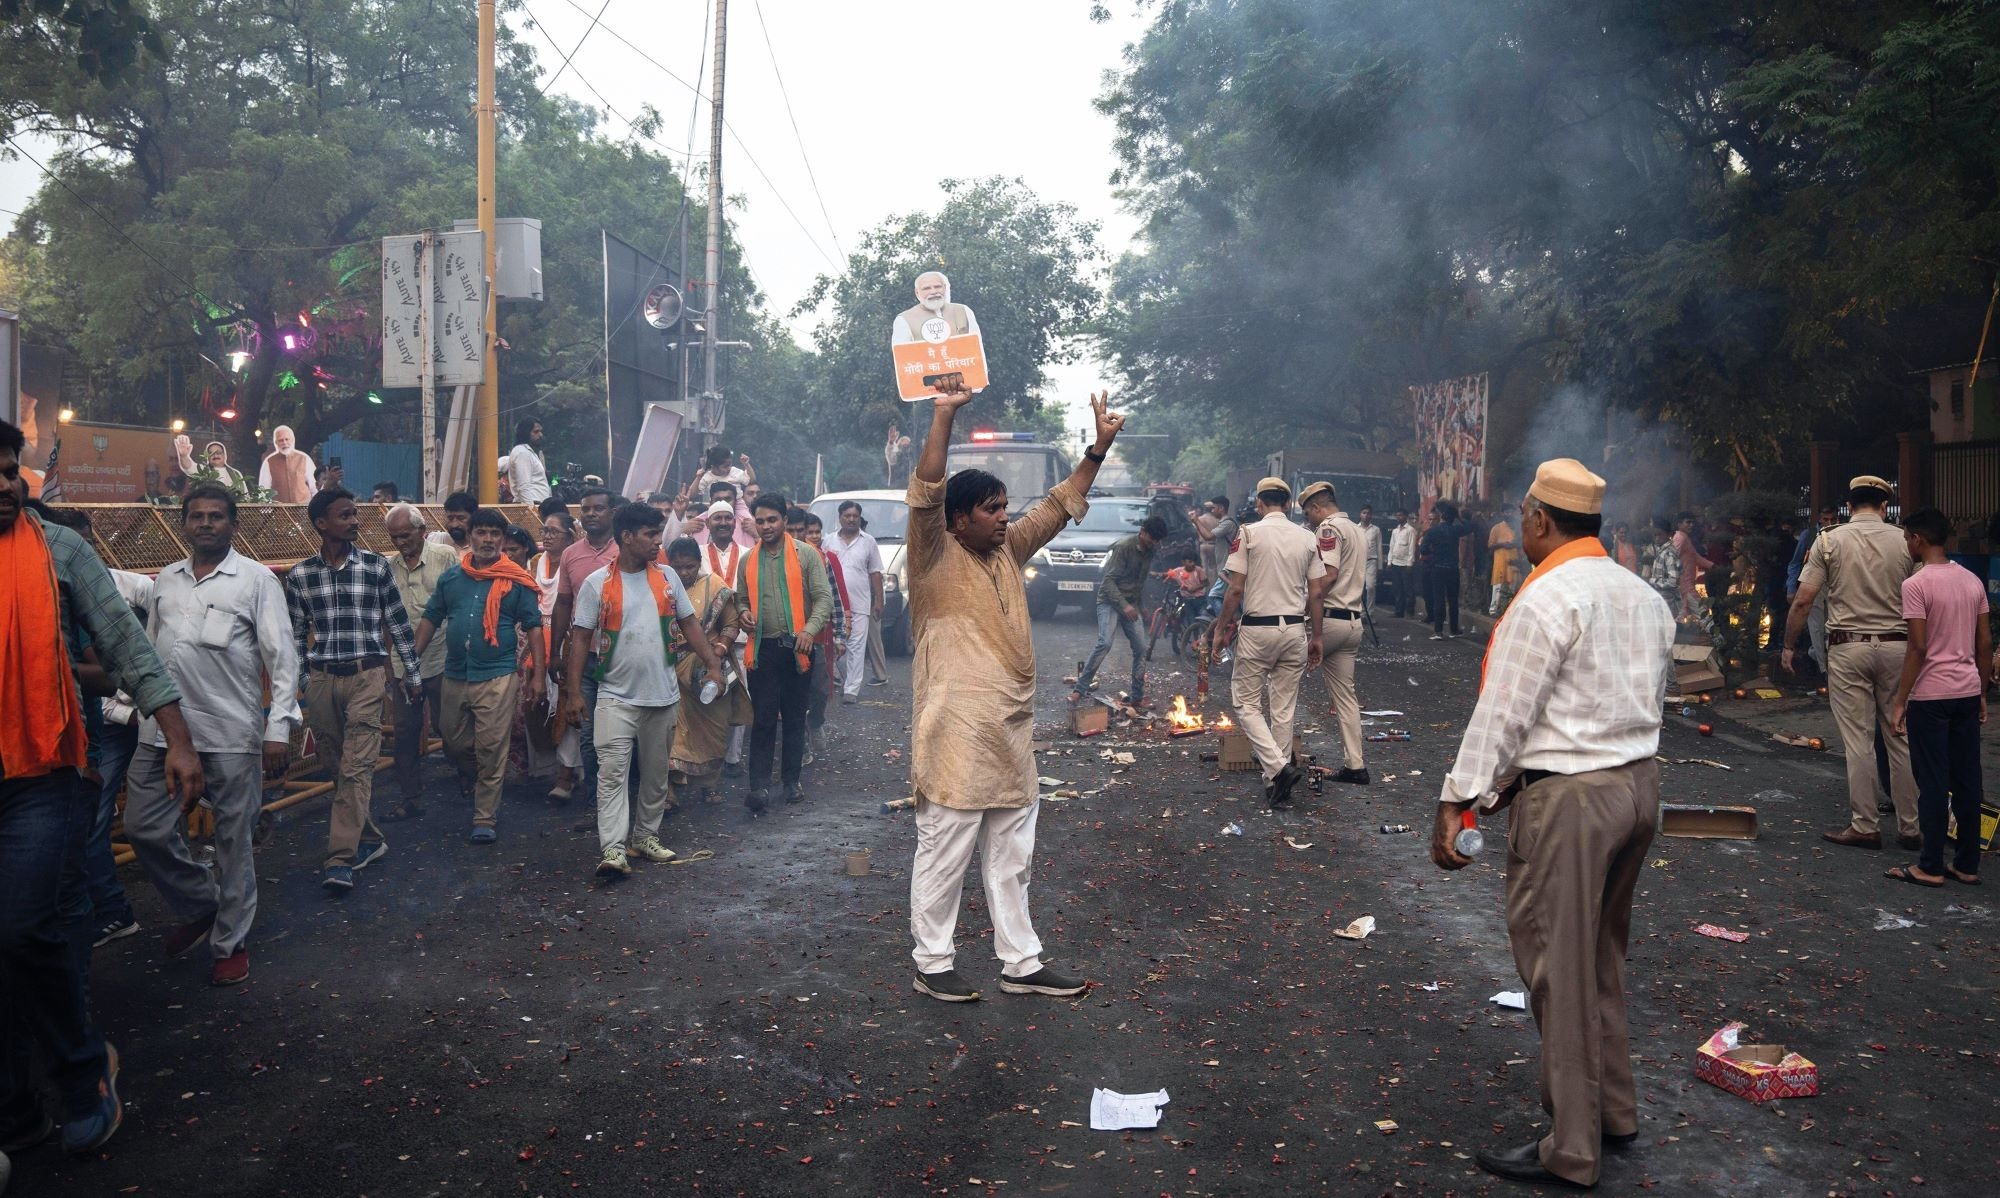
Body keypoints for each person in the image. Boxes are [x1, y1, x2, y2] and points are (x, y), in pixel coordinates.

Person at [1430, 459, 1674, 1191]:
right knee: (1600, 958)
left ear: (1538, 519)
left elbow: (1507, 712)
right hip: (1637, 787)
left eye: (1525, 516)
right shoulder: (1641, 594)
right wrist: (1510, 783)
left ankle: (1572, 1148)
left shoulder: (1546, 599)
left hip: (1572, 802)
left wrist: (1461, 796)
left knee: (1557, 972)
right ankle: (1613, 1113)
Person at [1, 418, 206, 1155]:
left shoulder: (60, 549)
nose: (2, 483)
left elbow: (127, 645)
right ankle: (16, 1104)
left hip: (47, 771)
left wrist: (178, 738)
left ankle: (86, 1070)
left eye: (8, 470)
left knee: (23, 927)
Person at [902, 382, 1121, 1004]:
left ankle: (1020, 962)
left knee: (1012, 854)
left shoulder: (1006, 550)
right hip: (954, 731)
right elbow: (925, 493)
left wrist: (1098, 450)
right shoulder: (932, 555)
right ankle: (932, 961)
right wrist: (944, 414)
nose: (1004, 518)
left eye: (1004, 508)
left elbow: (1056, 506)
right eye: (992, 510)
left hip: (1009, 730)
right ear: (958, 520)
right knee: (945, 850)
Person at [124, 484, 298, 986]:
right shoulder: (166, 582)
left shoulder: (257, 581)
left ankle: (229, 943)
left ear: (233, 524)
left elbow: (281, 658)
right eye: (196, 516)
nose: (205, 523)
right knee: (144, 828)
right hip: (162, 732)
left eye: (216, 516)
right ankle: (202, 903)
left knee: (232, 841)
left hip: (230, 733)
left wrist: (278, 728)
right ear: (183, 523)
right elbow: (153, 650)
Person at [560, 504, 727, 878]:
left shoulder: (667, 577)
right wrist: (572, 693)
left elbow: (689, 624)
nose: (657, 541)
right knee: (612, 774)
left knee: (655, 774)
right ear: (627, 538)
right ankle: (614, 849)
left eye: (657, 533)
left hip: (663, 695)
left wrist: (713, 664)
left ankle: (645, 837)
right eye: (650, 534)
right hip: (614, 696)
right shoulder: (596, 584)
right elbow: (580, 638)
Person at [284, 487, 424, 892]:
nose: (354, 521)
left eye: (354, 514)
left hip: (367, 676)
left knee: (356, 766)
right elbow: (294, 637)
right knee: (334, 765)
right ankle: (370, 839)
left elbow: (398, 624)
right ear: (322, 524)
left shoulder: (376, 568)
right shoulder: (300, 576)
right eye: (344, 515)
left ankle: (339, 859)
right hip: (323, 678)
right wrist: (305, 682)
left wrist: (410, 675)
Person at [1782, 476, 1920, 851]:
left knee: (1859, 740)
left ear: (1849, 505)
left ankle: (1865, 824)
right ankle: (1912, 827)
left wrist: (1789, 645)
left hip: (1848, 649)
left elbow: (1803, 600)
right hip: (1897, 649)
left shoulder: (1829, 540)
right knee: (1900, 737)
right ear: (1883, 505)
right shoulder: (1906, 541)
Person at [412, 509, 544, 843]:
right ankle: (476, 775)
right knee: (454, 743)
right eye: (481, 533)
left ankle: (484, 816)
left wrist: (538, 675)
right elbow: (431, 617)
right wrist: (410, 659)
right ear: (470, 536)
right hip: (455, 673)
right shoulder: (453, 578)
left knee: (491, 747)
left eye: (494, 534)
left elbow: (534, 628)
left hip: (498, 674)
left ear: (502, 539)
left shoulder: (516, 580)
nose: (487, 540)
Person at [1884, 508, 1988, 887]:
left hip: (1931, 695)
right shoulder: (1972, 581)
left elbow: (1918, 648)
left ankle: (1929, 865)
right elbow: (1985, 642)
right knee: (1967, 780)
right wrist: (1981, 690)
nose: (1906, 544)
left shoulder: (1917, 584)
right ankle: (1967, 864)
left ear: (1919, 540)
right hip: (1966, 690)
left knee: (1932, 781)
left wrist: (1900, 699)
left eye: (1907, 537)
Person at [1213, 478, 1324, 806]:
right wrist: (1316, 636)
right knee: (1283, 708)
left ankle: (1277, 768)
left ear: (1260, 504)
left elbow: (1235, 589)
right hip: (1294, 630)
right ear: (1288, 504)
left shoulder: (1248, 533)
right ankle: (1275, 780)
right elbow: (1316, 591)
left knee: (1246, 703)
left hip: (1257, 630)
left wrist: (1220, 629)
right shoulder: (1307, 538)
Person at [734, 494, 833, 811]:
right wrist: (743, 614)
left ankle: (791, 782)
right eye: (760, 521)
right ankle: (759, 788)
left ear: (785, 521)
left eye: (771, 520)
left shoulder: (806, 555)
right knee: (762, 719)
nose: (765, 526)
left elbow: (823, 600)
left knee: (793, 718)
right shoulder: (747, 560)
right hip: (762, 650)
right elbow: (741, 600)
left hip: (798, 649)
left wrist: (808, 630)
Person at [380, 503, 456, 821]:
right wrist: (388, 667)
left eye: (406, 535)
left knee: (450, 727)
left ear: (422, 531)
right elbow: (383, 619)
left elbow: (456, 604)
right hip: (402, 663)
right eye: (395, 537)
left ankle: (468, 780)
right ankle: (411, 797)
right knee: (405, 731)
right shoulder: (387, 567)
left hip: (441, 658)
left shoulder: (446, 557)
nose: (400, 543)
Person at [662, 536, 752, 804]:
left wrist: (720, 649)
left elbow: (731, 623)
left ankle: (709, 786)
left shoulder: (714, 585)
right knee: (673, 729)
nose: (684, 573)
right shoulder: (662, 587)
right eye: (678, 567)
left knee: (713, 728)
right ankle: (669, 791)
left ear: (698, 563)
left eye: (689, 567)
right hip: (672, 668)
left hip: (709, 667)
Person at [548, 486, 619, 801]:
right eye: (586, 510)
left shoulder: (628, 549)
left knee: (623, 734)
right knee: (589, 736)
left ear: (612, 513)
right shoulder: (570, 554)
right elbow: (563, 604)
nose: (590, 514)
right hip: (585, 658)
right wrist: (554, 653)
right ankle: (597, 803)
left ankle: (626, 797)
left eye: (598, 509)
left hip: (622, 657)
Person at [1299, 482, 1369, 786]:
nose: (1308, 520)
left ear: (1317, 507)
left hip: (1329, 621)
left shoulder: (1328, 530)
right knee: (1346, 698)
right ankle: (1356, 766)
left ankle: (1277, 759)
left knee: (1280, 675)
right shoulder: (1357, 529)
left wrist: (1301, 604)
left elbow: (1328, 576)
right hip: (1353, 623)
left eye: (1307, 513)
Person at [1073, 516, 1164, 707]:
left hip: (1131, 603)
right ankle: (1079, 690)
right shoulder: (1124, 547)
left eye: (1157, 540)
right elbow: (1107, 582)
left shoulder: (1150, 550)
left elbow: (1139, 581)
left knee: (1141, 648)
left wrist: (1140, 606)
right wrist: (1124, 606)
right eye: (1152, 538)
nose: (1154, 543)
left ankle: (1137, 697)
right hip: (1109, 601)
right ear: (1143, 531)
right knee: (1105, 643)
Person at [529, 511, 581, 800]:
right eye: (544, 530)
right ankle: (554, 768)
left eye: (553, 531)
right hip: (539, 644)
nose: (547, 536)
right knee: (543, 707)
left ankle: (566, 775)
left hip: (570, 642)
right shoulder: (536, 562)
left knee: (568, 706)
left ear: (570, 536)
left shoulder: (575, 561)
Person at [800, 513, 849, 756]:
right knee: (794, 694)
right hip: (787, 638)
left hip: (817, 638)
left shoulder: (822, 559)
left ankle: (816, 722)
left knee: (819, 690)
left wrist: (839, 634)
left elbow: (833, 598)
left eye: (809, 531)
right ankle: (800, 746)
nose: (809, 536)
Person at [828, 500, 885, 704]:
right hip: (834, 606)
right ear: (840, 517)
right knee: (837, 646)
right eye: (847, 516)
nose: (851, 519)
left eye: (855, 516)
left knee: (856, 648)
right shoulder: (828, 541)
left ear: (859, 518)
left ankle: (851, 689)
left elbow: (875, 572)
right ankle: (840, 680)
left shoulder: (868, 541)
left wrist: (879, 600)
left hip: (860, 604)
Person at [1788, 504, 1838, 672]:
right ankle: (1823, 669)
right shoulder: (1808, 535)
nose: (1829, 522)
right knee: (1815, 627)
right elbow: (1795, 562)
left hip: (1834, 585)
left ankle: (1824, 660)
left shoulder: (1840, 534)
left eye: (1832, 519)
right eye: (1826, 519)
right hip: (1812, 582)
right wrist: (1791, 587)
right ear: (1819, 518)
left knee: (1833, 625)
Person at [892, 270, 982, 345]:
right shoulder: (904, 319)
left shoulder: (963, 311)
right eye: (926, 288)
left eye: (937, 287)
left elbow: (977, 347)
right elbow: (902, 358)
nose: (933, 292)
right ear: (917, 292)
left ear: (945, 288)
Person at [1420, 503, 1467, 639]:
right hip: (1453, 569)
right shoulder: (1456, 530)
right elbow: (1469, 527)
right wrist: (1460, 518)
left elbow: (1423, 550)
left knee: (1438, 599)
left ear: (1441, 517)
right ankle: (1454, 629)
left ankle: (1438, 631)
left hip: (1437, 568)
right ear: (1453, 518)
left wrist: (1433, 551)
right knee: (1453, 600)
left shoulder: (1432, 531)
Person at [258, 424, 315, 503]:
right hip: (280, 512)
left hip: (303, 510)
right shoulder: (269, 462)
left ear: (292, 440)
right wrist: (266, 513)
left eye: (287, 439)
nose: (284, 443)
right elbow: (263, 490)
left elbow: (314, 487)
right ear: (276, 443)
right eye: (281, 440)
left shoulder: (304, 459)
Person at [1672, 511, 1712, 618]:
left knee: (1680, 615)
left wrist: (1712, 565)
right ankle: (1715, 634)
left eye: (1692, 523)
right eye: (1688, 522)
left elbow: (1695, 557)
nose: (1691, 525)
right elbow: (1672, 558)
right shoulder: (1680, 537)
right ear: (1679, 524)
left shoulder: (1684, 537)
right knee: (1703, 613)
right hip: (1684, 584)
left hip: (1685, 583)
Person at [505, 418, 551, 505]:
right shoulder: (522, 452)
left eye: (541, 431)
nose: (540, 435)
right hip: (532, 506)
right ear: (525, 433)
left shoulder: (528, 452)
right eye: (536, 432)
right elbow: (523, 486)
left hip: (538, 506)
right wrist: (531, 511)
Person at [698, 500, 747, 580]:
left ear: (734, 523)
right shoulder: (698, 553)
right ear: (707, 523)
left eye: (728, 518)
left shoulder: (747, 553)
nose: (723, 523)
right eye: (717, 518)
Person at [1489, 513, 1522, 615]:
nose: (1509, 514)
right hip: (1500, 563)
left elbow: (1520, 543)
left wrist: (1513, 544)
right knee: (1498, 587)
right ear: (1503, 514)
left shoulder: (1517, 528)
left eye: (1511, 512)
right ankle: (1493, 610)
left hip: (1512, 562)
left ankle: (1507, 612)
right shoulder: (1497, 528)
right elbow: (1490, 545)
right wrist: (1502, 544)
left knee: (1512, 586)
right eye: (1507, 512)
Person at [1387, 510, 1418, 618]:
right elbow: (1392, 547)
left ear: (1406, 516)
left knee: (1408, 588)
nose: (1399, 517)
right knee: (1397, 588)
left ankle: (1410, 611)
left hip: (1406, 564)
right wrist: (1389, 561)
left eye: (1401, 515)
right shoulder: (1395, 531)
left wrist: (1410, 563)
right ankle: (1398, 611)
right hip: (1395, 562)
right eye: (1397, 515)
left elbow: (1412, 548)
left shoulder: (1411, 530)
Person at [1356, 505, 1383, 610]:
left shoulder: (1376, 530)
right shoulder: (1355, 529)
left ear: (1371, 515)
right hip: (1358, 562)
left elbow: (1379, 548)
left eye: (1368, 513)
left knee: (1370, 587)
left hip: (1372, 561)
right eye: (1364, 513)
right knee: (1359, 589)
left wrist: (1380, 566)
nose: (1366, 515)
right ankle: (1361, 612)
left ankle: (1370, 613)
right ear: (1360, 514)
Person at [885, 420, 913, 488]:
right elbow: (891, 459)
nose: (905, 449)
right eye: (903, 446)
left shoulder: (913, 458)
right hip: (896, 490)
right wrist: (891, 442)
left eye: (907, 446)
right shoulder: (896, 454)